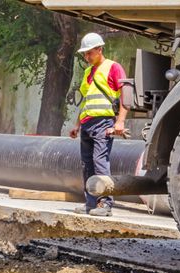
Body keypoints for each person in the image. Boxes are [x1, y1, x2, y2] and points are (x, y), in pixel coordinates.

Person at [69, 33, 128, 217]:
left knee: (100, 162)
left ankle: (106, 203)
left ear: (99, 49)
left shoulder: (113, 67)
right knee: (87, 164)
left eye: (89, 53)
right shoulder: (88, 73)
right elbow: (86, 101)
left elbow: (125, 95)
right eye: (84, 54)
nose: (86, 57)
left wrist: (120, 121)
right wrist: (77, 125)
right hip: (87, 124)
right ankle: (90, 202)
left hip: (103, 123)